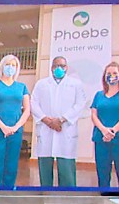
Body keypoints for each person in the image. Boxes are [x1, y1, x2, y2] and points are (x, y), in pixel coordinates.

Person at [30, 56, 87, 187]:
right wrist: (46, 120)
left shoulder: (75, 84)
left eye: (62, 66)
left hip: (66, 130)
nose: (59, 68)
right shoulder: (41, 84)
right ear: (51, 68)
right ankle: (45, 194)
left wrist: (61, 120)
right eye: (56, 66)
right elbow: (33, 103)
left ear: (67, 68)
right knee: (45, 168)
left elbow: (80, 104)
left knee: (67, 170)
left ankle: (67, 196)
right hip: (46, 129)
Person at [0, 54, 31, 189]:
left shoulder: (22, 87)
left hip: (15, 131)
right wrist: (3, 127)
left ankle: (9, 190)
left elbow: (27, 110)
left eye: (13, 65)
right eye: (7, 64)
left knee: (12, 163)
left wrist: (16, 127)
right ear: (2, 66)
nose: (10, 67)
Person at [90, 61, 119, 189]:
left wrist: (113, 131)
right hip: (101, 139)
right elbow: (94, 115)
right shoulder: (98, 95)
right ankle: (104, 198)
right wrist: (104, 130)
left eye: (115, 73)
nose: (111, 75)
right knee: (102, 174)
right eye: (108, 73)